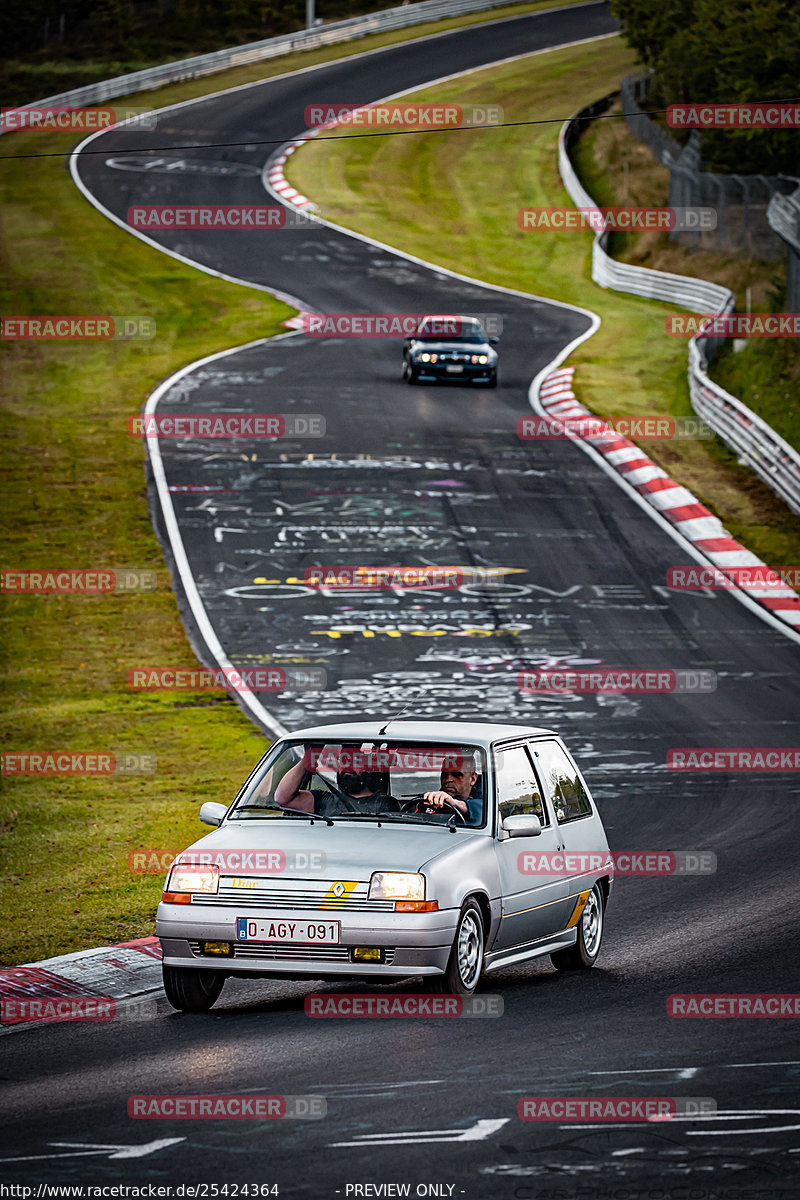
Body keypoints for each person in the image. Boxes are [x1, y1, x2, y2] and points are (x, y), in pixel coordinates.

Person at [274, 753, 398, 816]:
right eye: (344, 761)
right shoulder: (324, 799)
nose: (348, 766)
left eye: (356, 761)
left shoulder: (384, 804)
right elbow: (282, 798)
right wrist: (308, 759)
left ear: (369, 769)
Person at [420, 752, 482, 824]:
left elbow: (483, 809)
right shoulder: (428, 802)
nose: (448, 779)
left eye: (457, 774)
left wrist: (455, 803)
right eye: (444, 773)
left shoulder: (486, 806)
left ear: (473, 779)